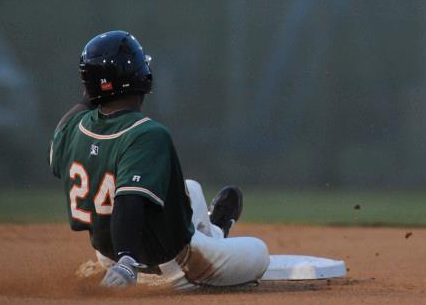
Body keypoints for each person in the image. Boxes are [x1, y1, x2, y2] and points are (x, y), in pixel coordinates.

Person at [50, 29, 269, 290]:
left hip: (107, 255)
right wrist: (127, 261)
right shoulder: (147, 132)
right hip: (168, 266)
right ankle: (217, 232)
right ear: (138, 77)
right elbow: (127, 201)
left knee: (192, 189)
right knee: (260, 251)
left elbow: (62, 135)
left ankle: (213, 230)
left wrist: (94, 89)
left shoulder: (75, 128)